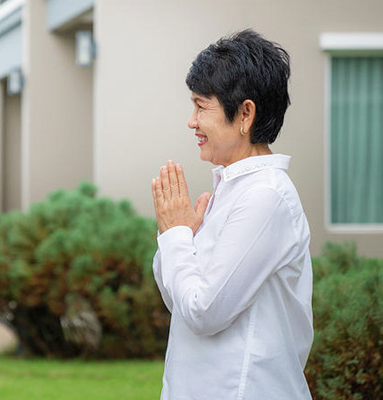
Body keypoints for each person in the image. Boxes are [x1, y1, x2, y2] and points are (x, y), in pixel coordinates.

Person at [150, 30, 313, 399]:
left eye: (201, 106)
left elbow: (205, 311)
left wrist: (177, 236)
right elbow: (179, 300)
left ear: (245, 113)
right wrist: (179, 236)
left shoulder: (266, 196)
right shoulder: (230, 188)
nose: (191, 121)